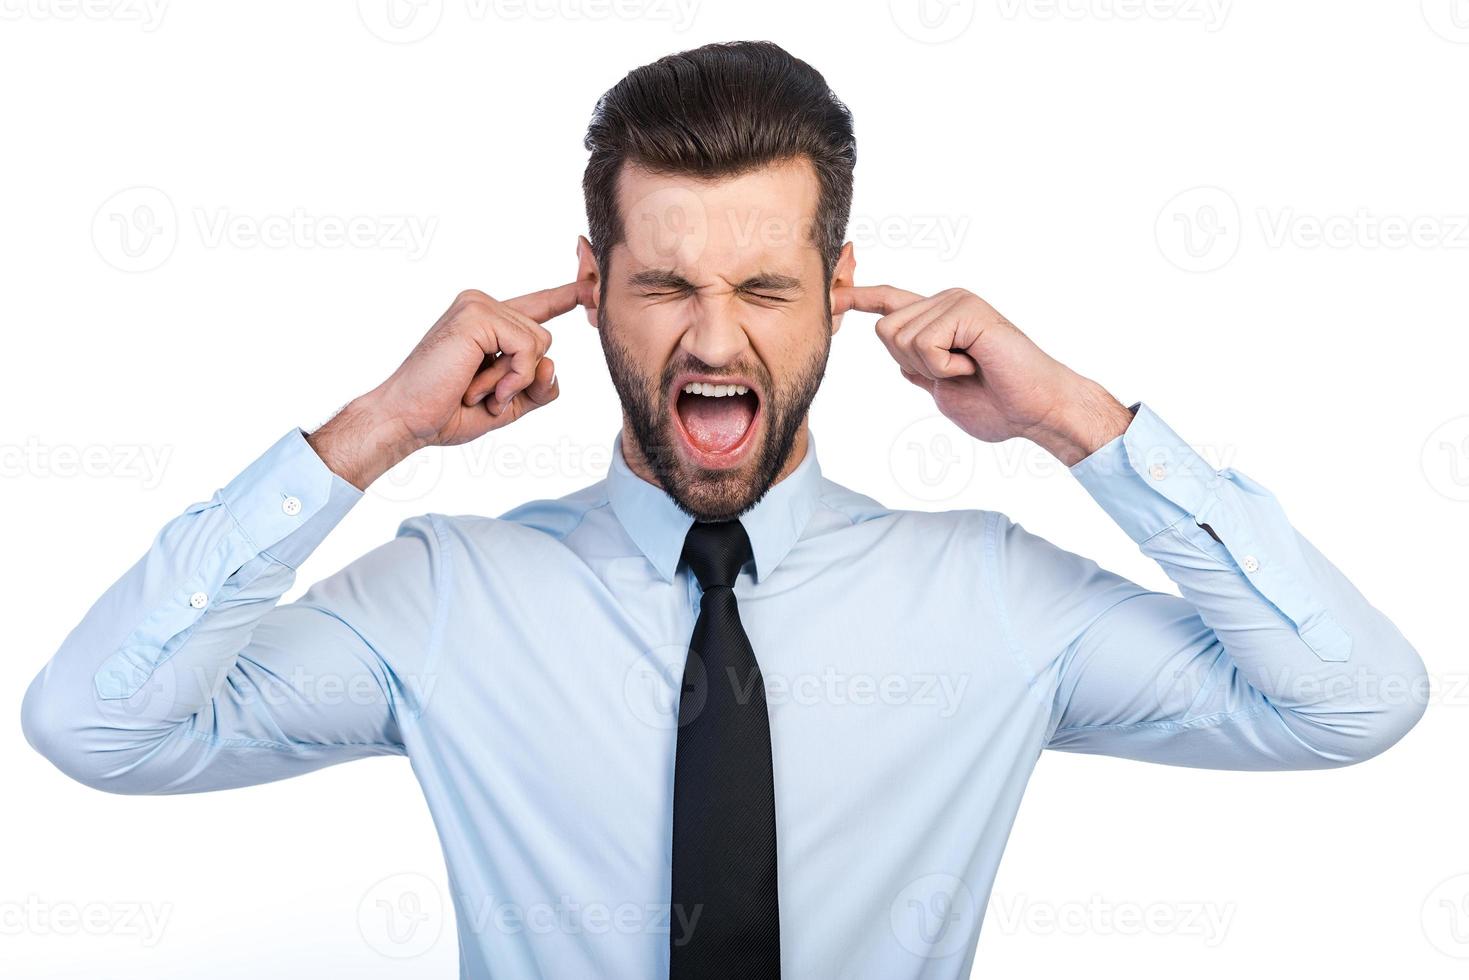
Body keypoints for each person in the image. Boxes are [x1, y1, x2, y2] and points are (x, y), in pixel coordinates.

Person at [20, 40, 1427, 980]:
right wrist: (372, 433)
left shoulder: (990, 598)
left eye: (762, 288)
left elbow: (1349, 701)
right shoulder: (445, 595)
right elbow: (100, 726)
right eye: (662, 286)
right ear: (585, 285)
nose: (712, 341)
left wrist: (1077, 420)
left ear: (840, 287)